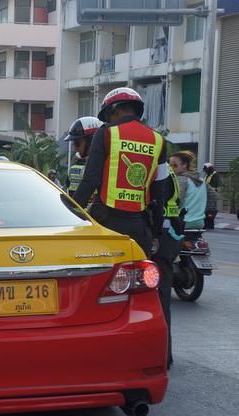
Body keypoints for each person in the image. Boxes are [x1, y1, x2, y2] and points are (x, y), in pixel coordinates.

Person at [73, 87, 168, 255]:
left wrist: (72, 214)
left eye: (108, 116)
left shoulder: (106, 132)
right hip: (140, 226)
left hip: (107, 224)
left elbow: (91, 180)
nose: (108, 121)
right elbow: (160, 190)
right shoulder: (159, 140)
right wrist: (156, 230)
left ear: (115, 110)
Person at [151, 163, 183, 369]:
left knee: (159, 299)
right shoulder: (167, 170)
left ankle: (161, 355)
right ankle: (163, 354)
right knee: (161, 299)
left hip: (161, 237)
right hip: (169, 234)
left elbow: (156, 203)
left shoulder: (158, 171)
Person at [64, 116, 103, 197]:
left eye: (77, 143)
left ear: (92, 140)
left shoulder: (103, 164)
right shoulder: (99, 163)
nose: (75, 148)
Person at [169, 151, 207, 230]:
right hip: (200, 222)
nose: (171, 168)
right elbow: (214, 196)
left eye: (175, 165)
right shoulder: (201, 180)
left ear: (185, 165)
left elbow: (176, 200)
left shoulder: (181, 179)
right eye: (170, 165)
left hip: (183, 221)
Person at [202, 163, 221, 229]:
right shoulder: (208, 175)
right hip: (206, 194)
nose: (205, 171)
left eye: (205, 169)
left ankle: (210, 224)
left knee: (211, 209)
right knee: (206, 210)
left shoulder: (215, 174)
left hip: (212, 195)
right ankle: (208, 224)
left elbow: (215, 185)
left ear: (209, 168)